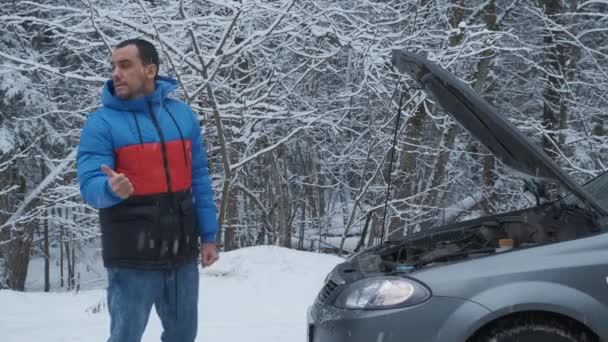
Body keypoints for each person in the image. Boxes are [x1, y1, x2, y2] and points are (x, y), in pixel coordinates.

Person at [76, 38, 219, 342]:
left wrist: (208, 236)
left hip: (181, 255)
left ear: (150, 69)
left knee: (183, 336)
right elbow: (89, 185)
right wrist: (110, 188)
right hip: (131, 257)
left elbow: (200, 179)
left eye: (125, 65)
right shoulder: (101, 123)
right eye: (113, 66)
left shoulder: (181, 115)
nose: (116, 72)